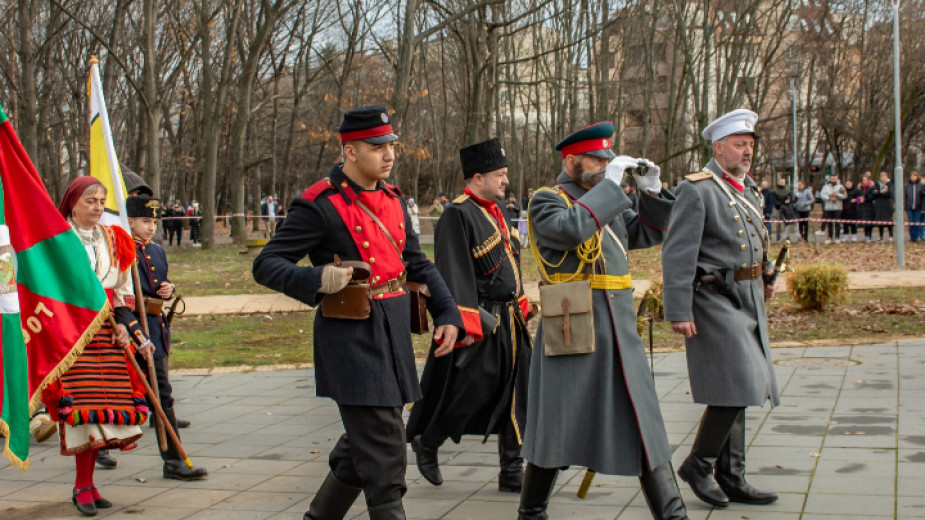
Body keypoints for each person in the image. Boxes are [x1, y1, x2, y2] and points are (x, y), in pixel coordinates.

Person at [252, 105, 463, 520]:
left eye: (391, 146)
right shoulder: (319, 204)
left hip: (395, 330)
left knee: (363, 443)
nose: (389, 155)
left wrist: (448, 312)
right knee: (385, 447)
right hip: (350, 338)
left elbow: (415, 263)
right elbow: (266, 264)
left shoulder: (393, 199)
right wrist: (318, 278)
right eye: (377, 146)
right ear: (349, 151)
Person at [520, 122, 689, 520]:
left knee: (644, 419)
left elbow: (647, 233)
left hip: (618, 325)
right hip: (573, 324)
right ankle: (531, 512)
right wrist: (611, 189)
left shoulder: (605, 199)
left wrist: (652, 192)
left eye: (607, 159)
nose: (603, 165)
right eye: (596, 159)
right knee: (556, 427)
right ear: (571, 160)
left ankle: (673, 513)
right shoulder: (549, 200)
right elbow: (569, 230)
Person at [662, 109, 780, 509]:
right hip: (713, 300)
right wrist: (678, 310)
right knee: (741, 382)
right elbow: (677, 253)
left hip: (746, 297)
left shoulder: (747, 189)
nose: (747, 151)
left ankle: (732, 476)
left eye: (750, 145)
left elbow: (752, 240)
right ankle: (699, 464)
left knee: (741, 385)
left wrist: (763, 276)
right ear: (719, 147)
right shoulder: (698, 189)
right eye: (739, 144)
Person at [406, 138, 532, 494]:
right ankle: (428, 441)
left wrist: (521, 302)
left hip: (510, 320)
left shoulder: (498, 211)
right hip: (482, 320)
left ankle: (512, 470)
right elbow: (453, 271)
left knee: (516, 395)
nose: (506, 180)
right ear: (478, 178)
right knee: (470, 392)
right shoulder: (457, 214)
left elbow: (512, 263)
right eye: (500, 174)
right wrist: (465, 322)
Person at [45, 176, 154, 516]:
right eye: (90, 199)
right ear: (72, 202)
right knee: (81, 413)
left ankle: (90, 484)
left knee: (104, 411)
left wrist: (124, 326)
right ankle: (80, 486)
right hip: (72, 336)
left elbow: (117, 296)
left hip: (106, 336)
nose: (96, 206)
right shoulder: (56, 241)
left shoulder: (112, 238)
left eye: (101, 200)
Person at [127, 195, 209, 481]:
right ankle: (98, 448)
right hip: (131, 328)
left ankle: (172, 460)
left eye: (154, 222)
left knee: (163, 393)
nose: (151, 228)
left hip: (155, 328)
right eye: (145, 222)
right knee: (118, 394)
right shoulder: (122, 251)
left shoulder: (157, 251)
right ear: (130, 222)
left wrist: (168, 290)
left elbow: (160, 283)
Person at [820, 175, 846, 244]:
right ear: (830, 179)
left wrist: (837, 196)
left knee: (837, 223)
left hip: (838, 207)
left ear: (837, 179)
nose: (833, 180)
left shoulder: (840, 187)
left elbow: (844, 195)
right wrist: (830, 197)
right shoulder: (825, 187)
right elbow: (822, 195)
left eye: (835, 179)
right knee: (829, 223)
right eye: (832, 179)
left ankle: (837, 237)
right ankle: (829, 237)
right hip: (828, 207)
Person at [871, 171, 894, 241]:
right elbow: (873, 194)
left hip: (887, 205)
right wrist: (881, 192)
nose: (882, 178)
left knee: (888, 221)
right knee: (880, 221)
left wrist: (879, 193)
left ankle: (891, 235)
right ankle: (881, 236)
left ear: (887, 177)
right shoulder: (877, 185)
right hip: (878, 205)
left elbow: (890, 194)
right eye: (881, 176)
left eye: (884, 176)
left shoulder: (889, 184)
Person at [857, 175, 877, 241]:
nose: (864, 181)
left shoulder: (871, 188)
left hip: (870, 206)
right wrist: (859, 199)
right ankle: (865, 235)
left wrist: (865, 199)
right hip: (862, 207)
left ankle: (869, 235)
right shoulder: (860, 188)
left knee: (869, 222)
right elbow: (857, 197)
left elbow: (872, 196)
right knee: (864, 222)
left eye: (865, 180)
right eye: (863, 180)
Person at [905, 172, 923, 242]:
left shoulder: (920, 186)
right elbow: (905, 196)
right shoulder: (907, 186)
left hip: (918, 207)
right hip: (909, 207)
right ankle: (912, 236)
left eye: (915, 176)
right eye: (912, 176)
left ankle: (916, 236)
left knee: (916, 221)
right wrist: (905, 206)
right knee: (911, 221)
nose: (913, 177)